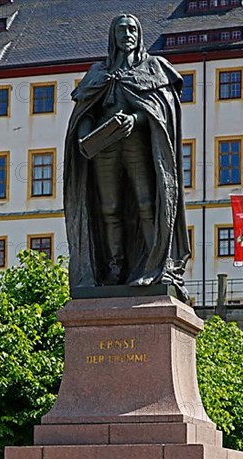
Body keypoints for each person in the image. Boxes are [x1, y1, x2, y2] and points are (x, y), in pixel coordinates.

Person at [63, 13, 190, 301]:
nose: (127, 34)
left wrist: (136, 118)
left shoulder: (154, 68)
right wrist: (86, 136)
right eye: (121, 30)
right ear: (113, 36)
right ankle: (114, 268)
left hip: (137, 145)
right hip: (104, 147)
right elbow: (85, 110)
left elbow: (162, 111)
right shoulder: (98, 72)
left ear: (139, 34)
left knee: (147, 203)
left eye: (132, 29)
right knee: (108, 208)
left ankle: (155, 265)